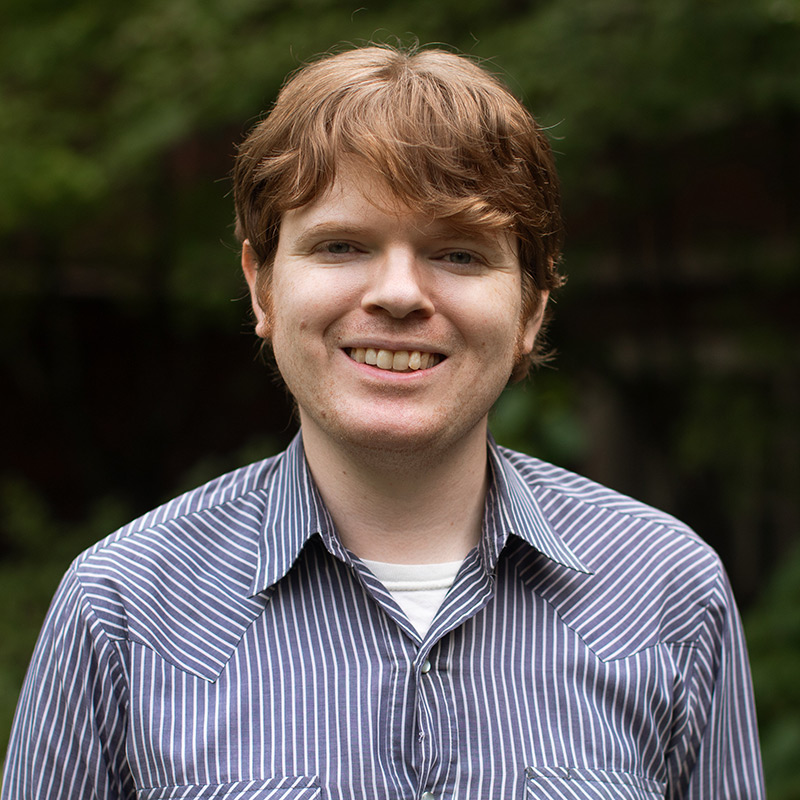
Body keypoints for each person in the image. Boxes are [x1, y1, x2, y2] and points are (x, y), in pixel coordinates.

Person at [2, 44, 764, 799]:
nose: (399, 294)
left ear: (533, 305)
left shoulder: (666, 588)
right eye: (342, 246)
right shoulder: (123, 607)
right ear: (261, 287)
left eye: (460, 254)